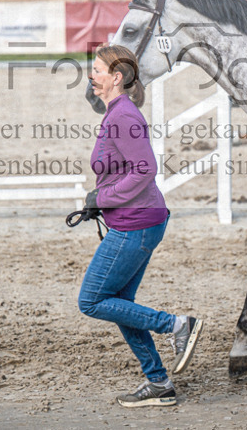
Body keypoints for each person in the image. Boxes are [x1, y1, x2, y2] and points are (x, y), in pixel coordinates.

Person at [76, 45, 203, 408]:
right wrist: (100, 198)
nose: (91, 75)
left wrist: (103, 198)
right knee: (119, 303)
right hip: (136, 221)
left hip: (136, 224)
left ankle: (175, 325)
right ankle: (159, 383)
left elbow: (145, 169)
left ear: (116, 78)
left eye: (97, 70)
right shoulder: (116, 113)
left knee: (92, 300)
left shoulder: (122, 116)